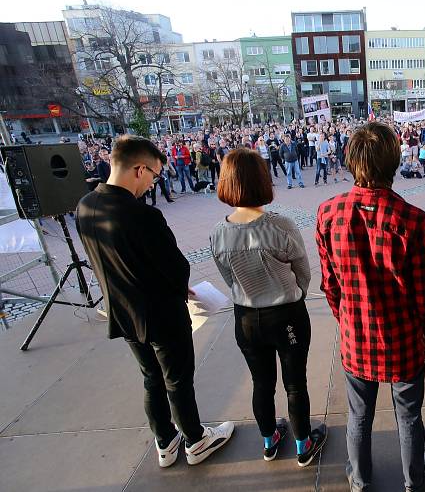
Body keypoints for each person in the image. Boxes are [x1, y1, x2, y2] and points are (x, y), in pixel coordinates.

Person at [76, 137, 234, 469]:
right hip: (162, 314)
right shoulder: (143, 215)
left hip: (123, 311)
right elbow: (176, 267)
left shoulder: (86, 205)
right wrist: (179, 285)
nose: (153, 182)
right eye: (154, 174)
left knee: (151, 377)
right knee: (177, 379)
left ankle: (165, 440)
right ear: (138, 168)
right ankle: (196, 439)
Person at [316, 122, 425, 492]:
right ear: (394, 161)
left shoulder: (328, 213)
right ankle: (413, 481)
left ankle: (360, 480)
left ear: (351, 160)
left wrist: (346, 319)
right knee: (409, 416)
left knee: (358, 415)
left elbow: (330, 283)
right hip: (403, 339)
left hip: (356, 337)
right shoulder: (412, 218)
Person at [210, 149, 327, 466]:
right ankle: (303, 444)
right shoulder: (281, 226)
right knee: (294, 383)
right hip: (286, 315)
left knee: (261, 382)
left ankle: (269, 440)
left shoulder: (218, 233)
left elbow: (228, 277)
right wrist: (297, 292)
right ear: (264, 181)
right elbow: (302, 270)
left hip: (246, 317)